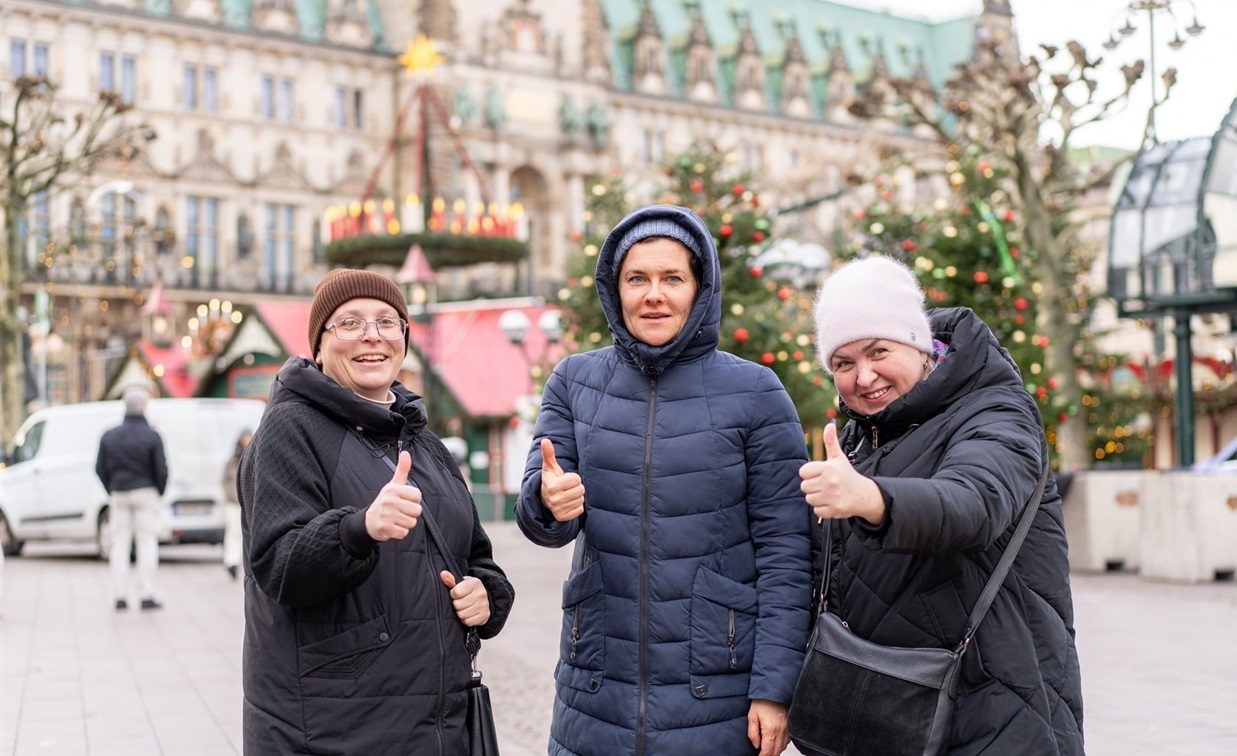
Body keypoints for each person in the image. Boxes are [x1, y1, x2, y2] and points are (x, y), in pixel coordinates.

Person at [516, 205, 813, 756]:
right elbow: (541, 512)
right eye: (637, 279)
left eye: (672, 278)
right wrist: (547, 500)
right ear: (615, 288)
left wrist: (775, 690)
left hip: (717, 692)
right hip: (595, 688)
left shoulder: (756, 392)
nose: (654, 294)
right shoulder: (574, 381)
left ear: (700, 289)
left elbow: (787, 553)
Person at [798, 255, 1084, 755]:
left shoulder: (996, 410)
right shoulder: (862, 437)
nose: (864, 377)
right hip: (892, 718)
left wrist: (872, 499)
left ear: (915, 342)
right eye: (843, 364)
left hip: (997, 713)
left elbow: (975, 502)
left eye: (878, 351)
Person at [238, 268, 515, 754]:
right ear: (319, 346)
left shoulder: (425, 444)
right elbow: (279, 568)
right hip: (333, 728)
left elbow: (475, 556)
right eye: (349, 323)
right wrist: (359, 528)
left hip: (435, 727)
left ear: (404, 340)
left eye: (388, 322)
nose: (372, 335)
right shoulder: (289, 429)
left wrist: (486, 595)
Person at [95, 386, 168, 611]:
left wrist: (112, 488)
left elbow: (100, 468)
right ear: (143, 407)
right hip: (145, 491)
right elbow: (162, 470)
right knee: (147, 542)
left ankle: (120, 594)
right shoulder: (152, 436)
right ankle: (146, 593)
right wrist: (158, 490)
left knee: (120, 544)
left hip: (119, 492)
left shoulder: (110, 435)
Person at [220, 428, 251, 581]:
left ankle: (242, 562)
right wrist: (230, 496)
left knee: (245, 534)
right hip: (233, 502)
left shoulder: (254, 456)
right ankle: (231, 561)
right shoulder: (232, 461)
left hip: (248, 503)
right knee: (233, 532)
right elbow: (225, 481)